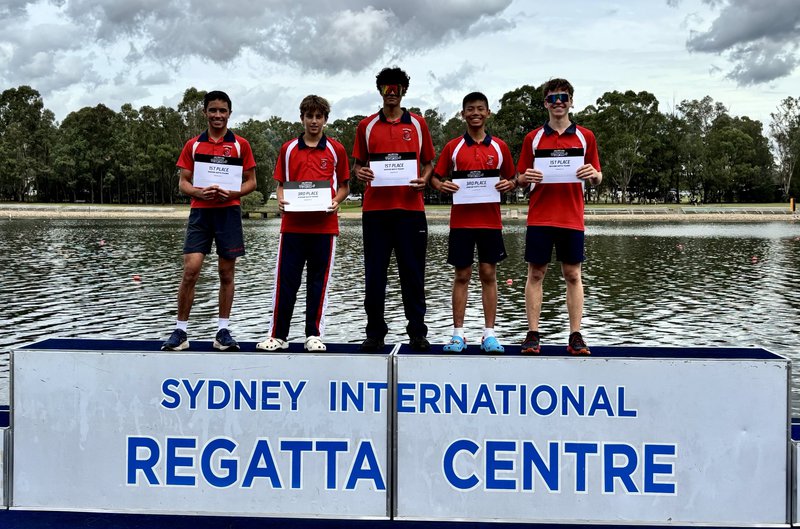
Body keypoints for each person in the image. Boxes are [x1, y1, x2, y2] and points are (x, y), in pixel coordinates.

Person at [161, 90, 256, 352]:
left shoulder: (240, 145)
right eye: (212, 110)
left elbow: (251, 182)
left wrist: (233, 193)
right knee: (191, 270)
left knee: (226, 273)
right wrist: (198, 192)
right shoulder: (193, 145)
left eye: (222, 110)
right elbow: (183, 183)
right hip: (201, 213)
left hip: (228, 213)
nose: (217, 115)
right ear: (205, 112)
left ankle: (222, 332)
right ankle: (180, 332)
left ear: (229, 113)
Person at [256, 95, 350, 352]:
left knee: (318, 283)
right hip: (293, 227)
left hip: (324, 227)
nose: (314, 121)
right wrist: (281, 199)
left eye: (319, 117)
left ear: (325, 119)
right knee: (286, 282)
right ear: (302, 118)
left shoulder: (336, 149)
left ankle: (313, 335)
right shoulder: (288, 149)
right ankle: (278, 336)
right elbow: (281, 185)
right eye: (309, 116)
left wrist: (336, 201)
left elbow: (344, 186)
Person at [352, 67, 436, 351]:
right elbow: (357, 166)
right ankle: (375, 333)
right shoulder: (366, 126)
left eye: (396, 87)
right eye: (386, 87)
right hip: (375, 213)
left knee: (413, 274)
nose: (391, 92)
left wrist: (424, 179)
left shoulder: (418, 124)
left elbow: (428, 164)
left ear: (403, 91)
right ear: (380, 91)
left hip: (410, 211)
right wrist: (360, 173)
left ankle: (417, 333)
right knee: (375, 275)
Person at [516, 78, 602, 355]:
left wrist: (594, 176)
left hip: (571, 216)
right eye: (553, 98)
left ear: (571, 101)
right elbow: (519, 178)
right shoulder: (533, 138)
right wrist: (524, 178)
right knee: (536, 273)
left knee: (573, 274)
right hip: (540, 216)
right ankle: (532, 335)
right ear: (545, 103)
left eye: (563, 97)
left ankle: (575, 335)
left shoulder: (586, 137)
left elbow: (597, 175)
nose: (558, 103)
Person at [430, 92, 517, 353]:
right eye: (470, 109)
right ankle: (458, 334)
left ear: (488, 113)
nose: (475, 113)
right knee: (462, 275)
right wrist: (441, 186)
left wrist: (510, 184)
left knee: (489, 275)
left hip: (490, 222)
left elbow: (514, 178)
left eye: (480, 108)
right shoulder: (453, 147)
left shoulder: (499, 146)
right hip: (461, 223)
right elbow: (435, 177)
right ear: (463, 114)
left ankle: (489, 334)